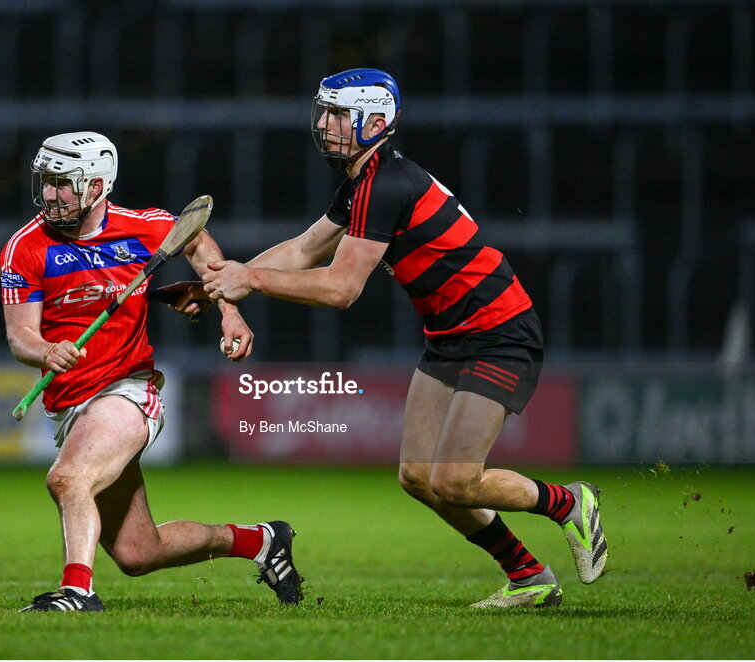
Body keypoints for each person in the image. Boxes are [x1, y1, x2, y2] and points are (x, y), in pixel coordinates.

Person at [201, 69, 607, 608]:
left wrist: (247, 279)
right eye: (324, 113)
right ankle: (529, 577)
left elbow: (342, 289)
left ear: (376, 120)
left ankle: (569, 504)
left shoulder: (385, 186)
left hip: (499, 333)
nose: (326, 125)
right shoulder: (364, 183)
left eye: (339, 115)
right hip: (449, 337)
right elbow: (303, 251)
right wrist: (225, 282)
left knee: (457, 479)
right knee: (419, 476)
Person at [0, 131, 303, 611]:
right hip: (69, 405)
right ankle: (262, 541)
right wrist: (45, 351)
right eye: (46, 181)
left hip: (127, 390)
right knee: (139, 553)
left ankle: (77, 592)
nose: (50, 194)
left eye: (64, 183)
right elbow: (21, 337)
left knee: (68, 479)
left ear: (98, 186)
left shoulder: (142, 227)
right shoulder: (25, 247)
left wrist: (228, 310)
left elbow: (197, 239)